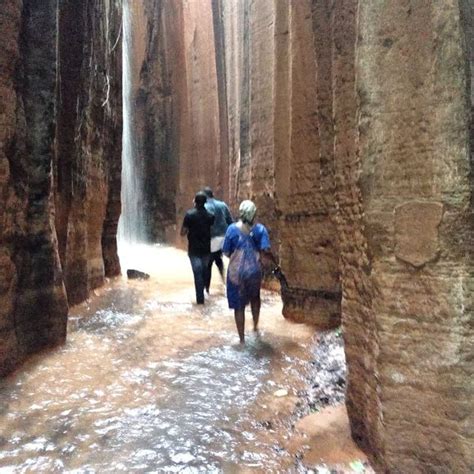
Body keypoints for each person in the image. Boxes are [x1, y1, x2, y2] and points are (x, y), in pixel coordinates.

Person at [222, 200, 278, 343]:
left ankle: (241, 339)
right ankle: (255, 327)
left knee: (238, 306)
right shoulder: (260, 230)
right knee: (255, 298)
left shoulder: (231, 230)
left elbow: (226, 252)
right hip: (254, 272)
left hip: (236, 275)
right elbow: (265, 250)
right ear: (254, 214)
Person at [181, 191, 215, 304]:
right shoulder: (210, 216)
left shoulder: (189, 215)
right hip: (206, 249)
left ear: (195, 202)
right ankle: (205, 293)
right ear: (205, 203)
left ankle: (200, 300)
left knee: (197, 274)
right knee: (204, 271)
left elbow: (183, 232)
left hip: (194, 249)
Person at [203, 186, 233, 293]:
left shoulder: (204, 207)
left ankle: (206, 290)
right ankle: (224, 283)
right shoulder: (222, 205)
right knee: (218, 259)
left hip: (211, 239)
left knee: (208, 263)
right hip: (223, 238)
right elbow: (230, 221)